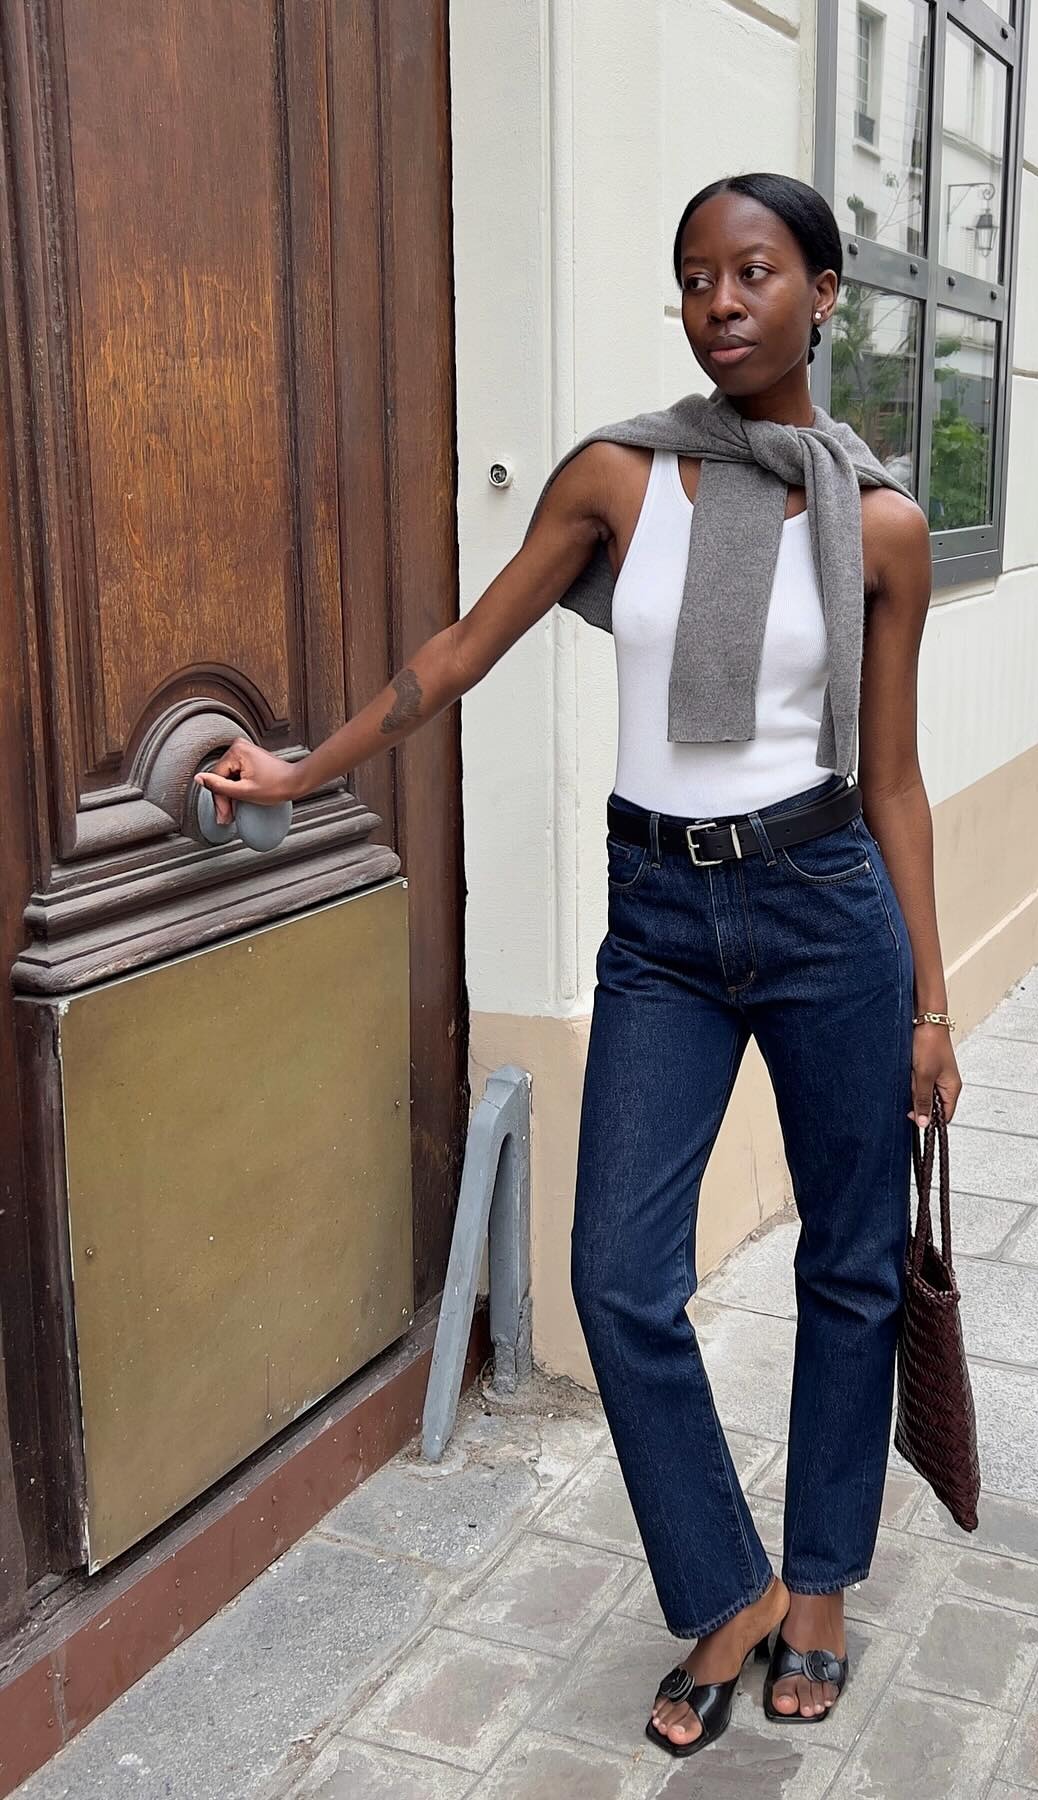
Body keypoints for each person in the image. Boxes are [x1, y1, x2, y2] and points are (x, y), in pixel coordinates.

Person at [195, 170, 963, 1761]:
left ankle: (818, 1584)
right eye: (695, 278)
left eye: (754, 272)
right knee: (617, 1275)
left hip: (829, 905)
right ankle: (726, 1591)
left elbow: (893, 777)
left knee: (852, 1262)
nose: (721, 302)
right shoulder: (622, 478)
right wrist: (303, 769)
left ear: (826, 291)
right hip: (666, 923)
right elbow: (457, 655)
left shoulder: (880, 525)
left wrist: (933, 1004)